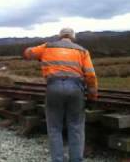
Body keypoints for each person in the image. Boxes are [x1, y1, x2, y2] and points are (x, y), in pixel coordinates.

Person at [23, 28, 98, 162]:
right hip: (76, 89)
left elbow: (28, 54)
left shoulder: (47, 47)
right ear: (73, 37)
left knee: (54, 128)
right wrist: (92, 94)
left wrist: (35, 53)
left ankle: (57, 159)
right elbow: (91, 75)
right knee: (76, 127)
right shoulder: (82, 51)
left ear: (60, 36)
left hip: (54, 88)